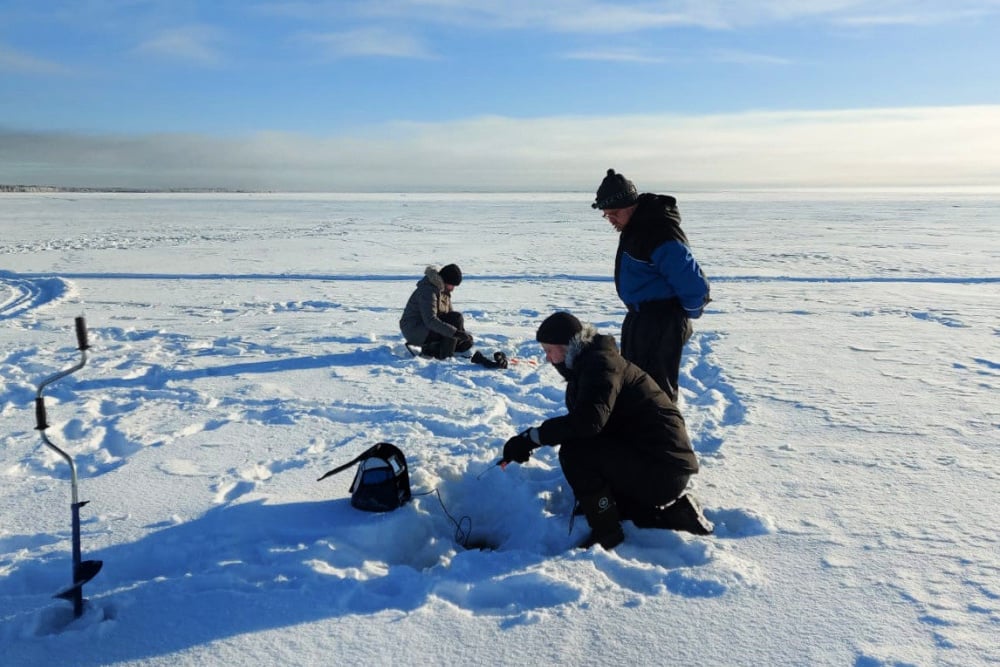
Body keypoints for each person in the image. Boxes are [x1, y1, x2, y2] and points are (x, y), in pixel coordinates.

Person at [501, 311, 713, 550]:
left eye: (549, 350)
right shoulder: (590, 363)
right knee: (593, 472)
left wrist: (533, 438)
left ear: (566, 346)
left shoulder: (601, 365)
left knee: (576, 453)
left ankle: (607, 532)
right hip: (660, 463)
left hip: (663, 469)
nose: (548, 359)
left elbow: (588, 422)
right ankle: (676, 515)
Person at [591, 168, 711, 402]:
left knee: (655, 394)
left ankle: (665, 437)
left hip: (660, 324)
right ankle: (641, 436)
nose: (611, 220)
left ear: (630, 205)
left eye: (614, 213)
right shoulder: (635, 228)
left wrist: (678, 317)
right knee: (635, 388)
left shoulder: (657, 230)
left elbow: (694, 284)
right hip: (641, 321)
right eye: (606, 215)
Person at [399, 264, 474, 358]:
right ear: (445, 281)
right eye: (452, 285)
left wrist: (461, 335)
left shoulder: (444, 291)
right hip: (415, 330)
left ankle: (435, 349)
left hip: (428, 328)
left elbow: (450, 317)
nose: (452, 289)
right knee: (455, 319)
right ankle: (445, 356)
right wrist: (455, 333)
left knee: (466, 342)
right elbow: (430, 320)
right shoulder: (428, 291)